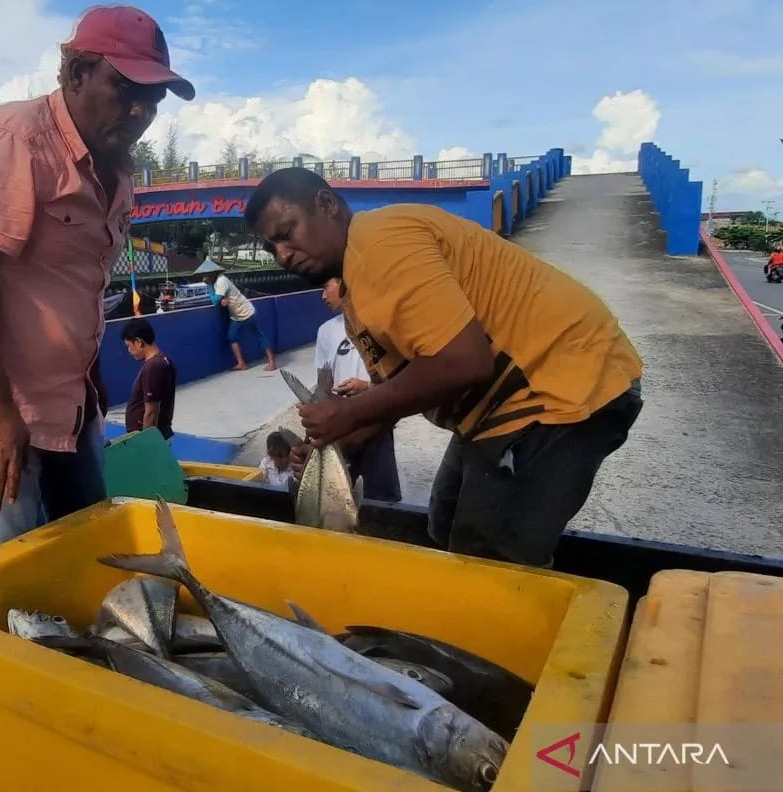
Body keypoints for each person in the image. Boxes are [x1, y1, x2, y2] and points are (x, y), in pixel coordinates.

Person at [244, 167, 644, 568]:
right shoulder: (356, 292)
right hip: (495, 409)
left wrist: (346, 412)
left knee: (489, 559)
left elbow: (464, 363)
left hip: (559, 384)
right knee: (445, 524)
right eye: (271, 248)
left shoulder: (382, 244)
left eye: (287, 232)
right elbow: (391, 396)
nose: (282, 254)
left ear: (326, 204)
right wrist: (326, 444)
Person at [0, 4, 195, 562]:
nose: (140, 110)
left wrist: (90, 377)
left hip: (68, 402)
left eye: (154, 100)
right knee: (6, 567)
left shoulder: (115, 171)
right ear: (74, 74)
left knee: (87, 544)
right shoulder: (12, 138)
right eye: (125, 88)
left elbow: (76, 284)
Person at [314, 276, 402, 503]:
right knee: (338, 496)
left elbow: (401, 379)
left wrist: (367, 387)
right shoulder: (326, 331)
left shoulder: (380, 322)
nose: (323, 296)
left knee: (381, 497)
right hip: (342, 423)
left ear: (343, 282)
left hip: (376, 418)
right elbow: (323, 380)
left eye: (326, 287)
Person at [196, 258, 278, 371]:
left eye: (206, 274)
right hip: (236, 315)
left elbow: (215, 301)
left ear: (212, 273)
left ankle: (272, 362)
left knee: (259, 336)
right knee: (231, 336)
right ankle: (241, 363)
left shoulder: (221, 281)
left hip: (246, 311)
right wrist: (222, 300)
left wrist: (209, 286)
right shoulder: (216, 282)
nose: (205, 277)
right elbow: (219, 299)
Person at [121, 318, 177, 441]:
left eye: (129, 346)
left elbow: (152, 411)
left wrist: (147, 443)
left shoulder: (153, 368)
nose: (129, 351)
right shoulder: (163, 361)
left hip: (152, 437)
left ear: (139, 342)